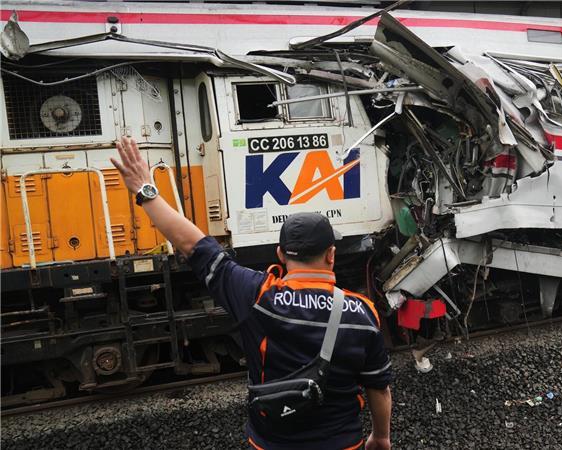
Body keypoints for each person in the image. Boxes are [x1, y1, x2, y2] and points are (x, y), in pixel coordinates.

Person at [111, 137, 392, 450]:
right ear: (331, 254)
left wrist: (145, 190)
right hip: (341, 442)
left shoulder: (256, 295)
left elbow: (193, 244)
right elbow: (378, 387)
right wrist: (380, 437)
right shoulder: (361, 312)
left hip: (270, 442)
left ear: (281, 255)